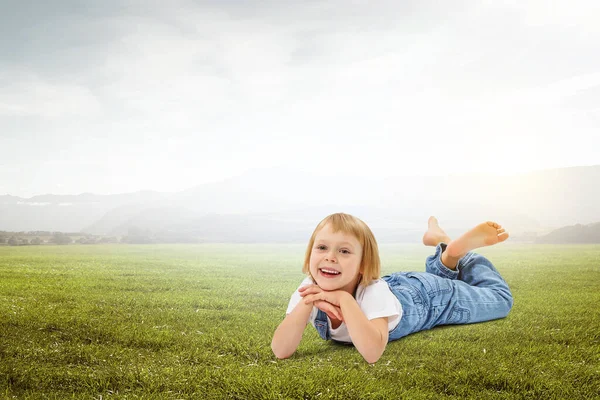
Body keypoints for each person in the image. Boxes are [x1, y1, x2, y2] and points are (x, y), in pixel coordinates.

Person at [271, 213, 513, 364]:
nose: (330, 258)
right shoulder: (309, 288)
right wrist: (307, 302)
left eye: (344, 251)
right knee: (448, 277)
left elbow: (373, 352)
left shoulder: (372, 292)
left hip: (428, 298)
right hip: (397, 289)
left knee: (500, 300)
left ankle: (459, 253)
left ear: (363, 265)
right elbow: (281, 350)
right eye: (322, 248)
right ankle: (446, 252)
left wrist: (345, 300)